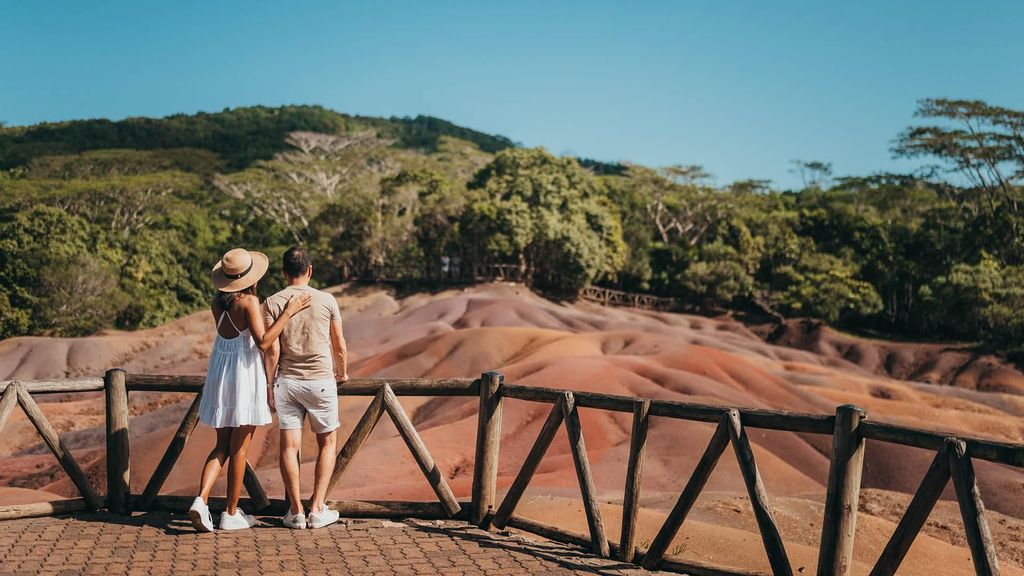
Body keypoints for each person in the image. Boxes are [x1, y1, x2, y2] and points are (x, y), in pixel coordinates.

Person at [188, 248, 311, 532]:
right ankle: (230, 513)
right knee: (240, 449)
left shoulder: (216, 304)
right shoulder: (250, 302)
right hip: (244, 376)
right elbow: (264, 342)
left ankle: (200, 500)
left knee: (221, 446)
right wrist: (289, 311)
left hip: (221, 373)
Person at [263, 246, 349, 530]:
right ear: (310, 270)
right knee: (328, 443)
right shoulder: (327, 300)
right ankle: (317, 508)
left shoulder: (272, 303)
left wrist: (269, 384)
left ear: (284, 272)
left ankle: (296, 511)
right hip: (321, 381)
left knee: (289, 447)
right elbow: (338, 343)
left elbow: (272, 350)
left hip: (286, 382)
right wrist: (343, 371)